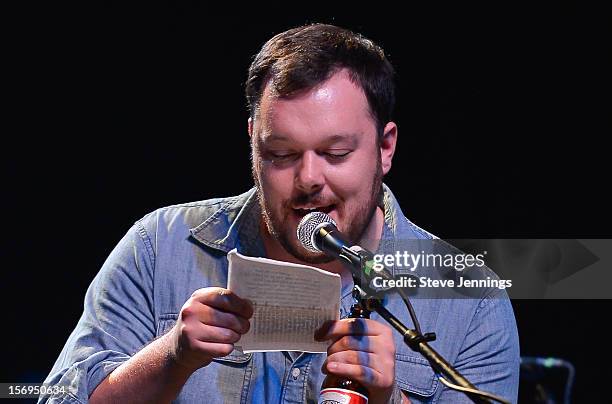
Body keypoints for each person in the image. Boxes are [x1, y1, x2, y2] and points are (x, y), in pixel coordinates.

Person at [40, 24, 519, 403]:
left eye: (335, 153)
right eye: (282, 154)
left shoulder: (470, 299)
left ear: (385, 147)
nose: (308, 178)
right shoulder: (160, 246)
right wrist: (172, 357)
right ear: (253, 143)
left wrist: (389, 400)